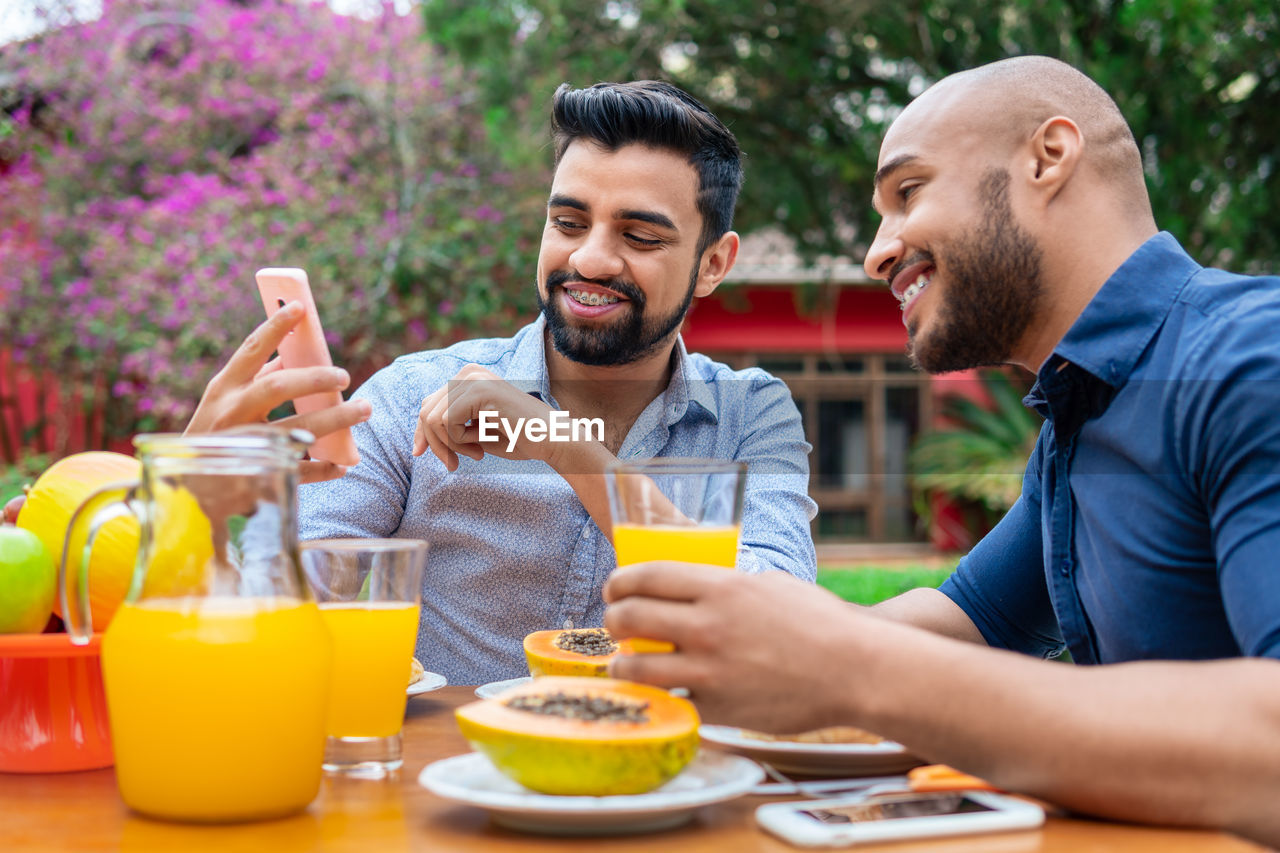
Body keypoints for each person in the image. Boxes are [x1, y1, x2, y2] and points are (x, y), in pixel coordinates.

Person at [602, 56, 1280, 846]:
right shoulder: (1083, 415)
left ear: (1047, 158)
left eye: (908, 192)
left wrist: (851, 666)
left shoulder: (1246, 360)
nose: (876, 253)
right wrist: (744, 650)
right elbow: (973, 619)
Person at [291, 80, 817, 685]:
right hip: (452, 771)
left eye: (641, 236)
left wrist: (564, 447)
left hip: (666, 769)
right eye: (568, 222)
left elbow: (781, 620)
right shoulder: (413, 393)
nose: (590, 260)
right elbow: (285, 598)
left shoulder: (750, 411)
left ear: (713, 263)